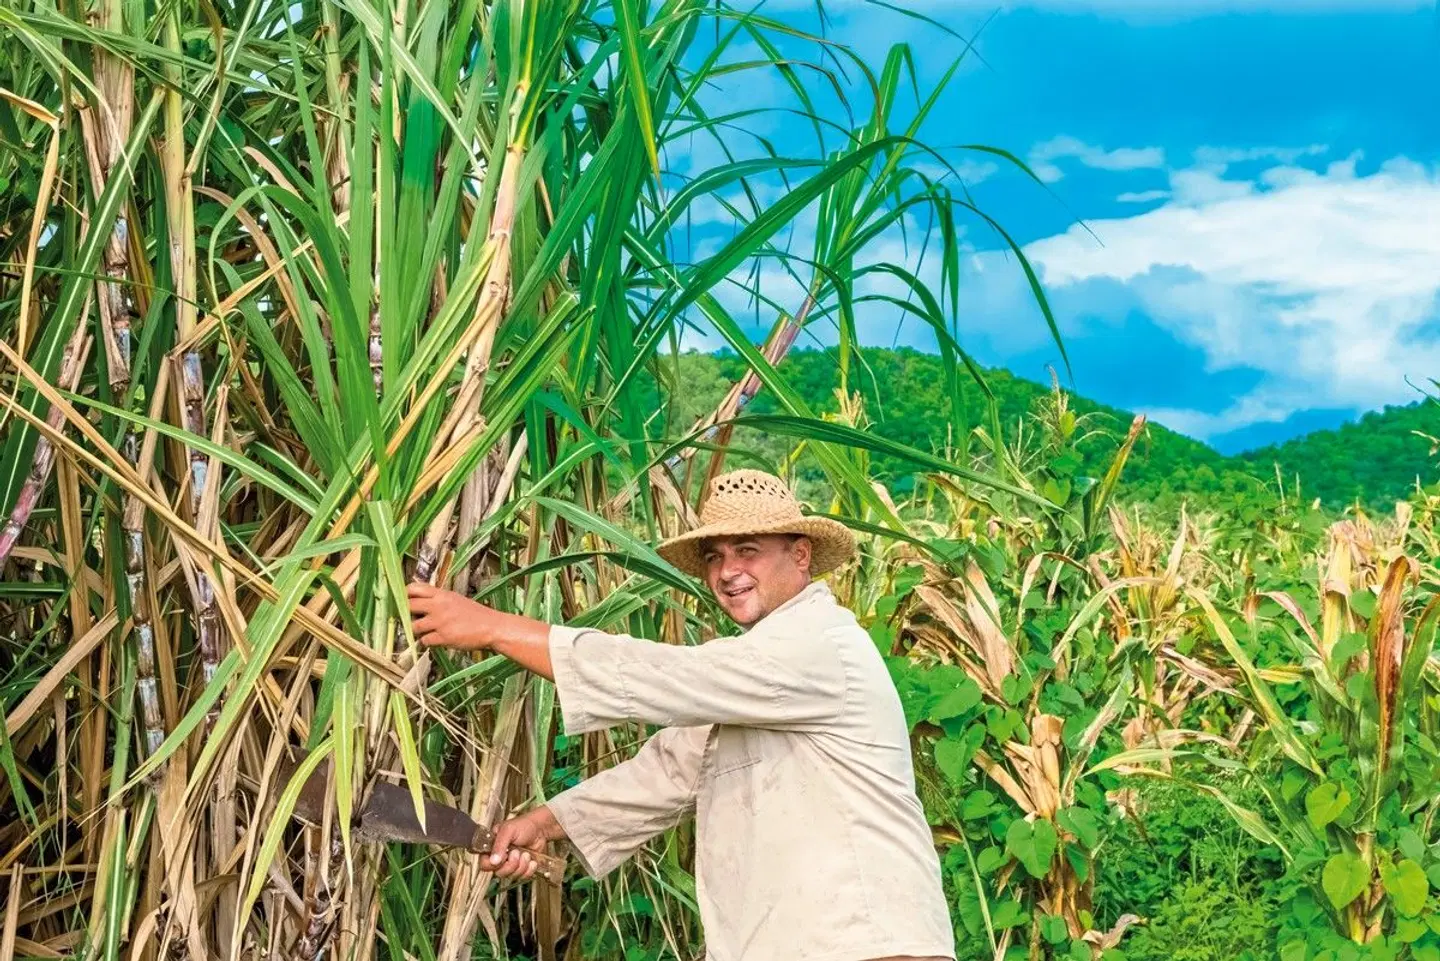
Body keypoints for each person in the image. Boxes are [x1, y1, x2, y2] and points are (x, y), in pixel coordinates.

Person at [407, 468, 955, 961]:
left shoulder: (817, 645)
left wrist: (494, 628)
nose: (727, 571)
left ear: (801, 554)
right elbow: (669, 771)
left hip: (868, 944)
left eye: (747, 550)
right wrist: (541, 826)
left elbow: (666, 676)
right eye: (715, 556)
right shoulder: (753, 678)